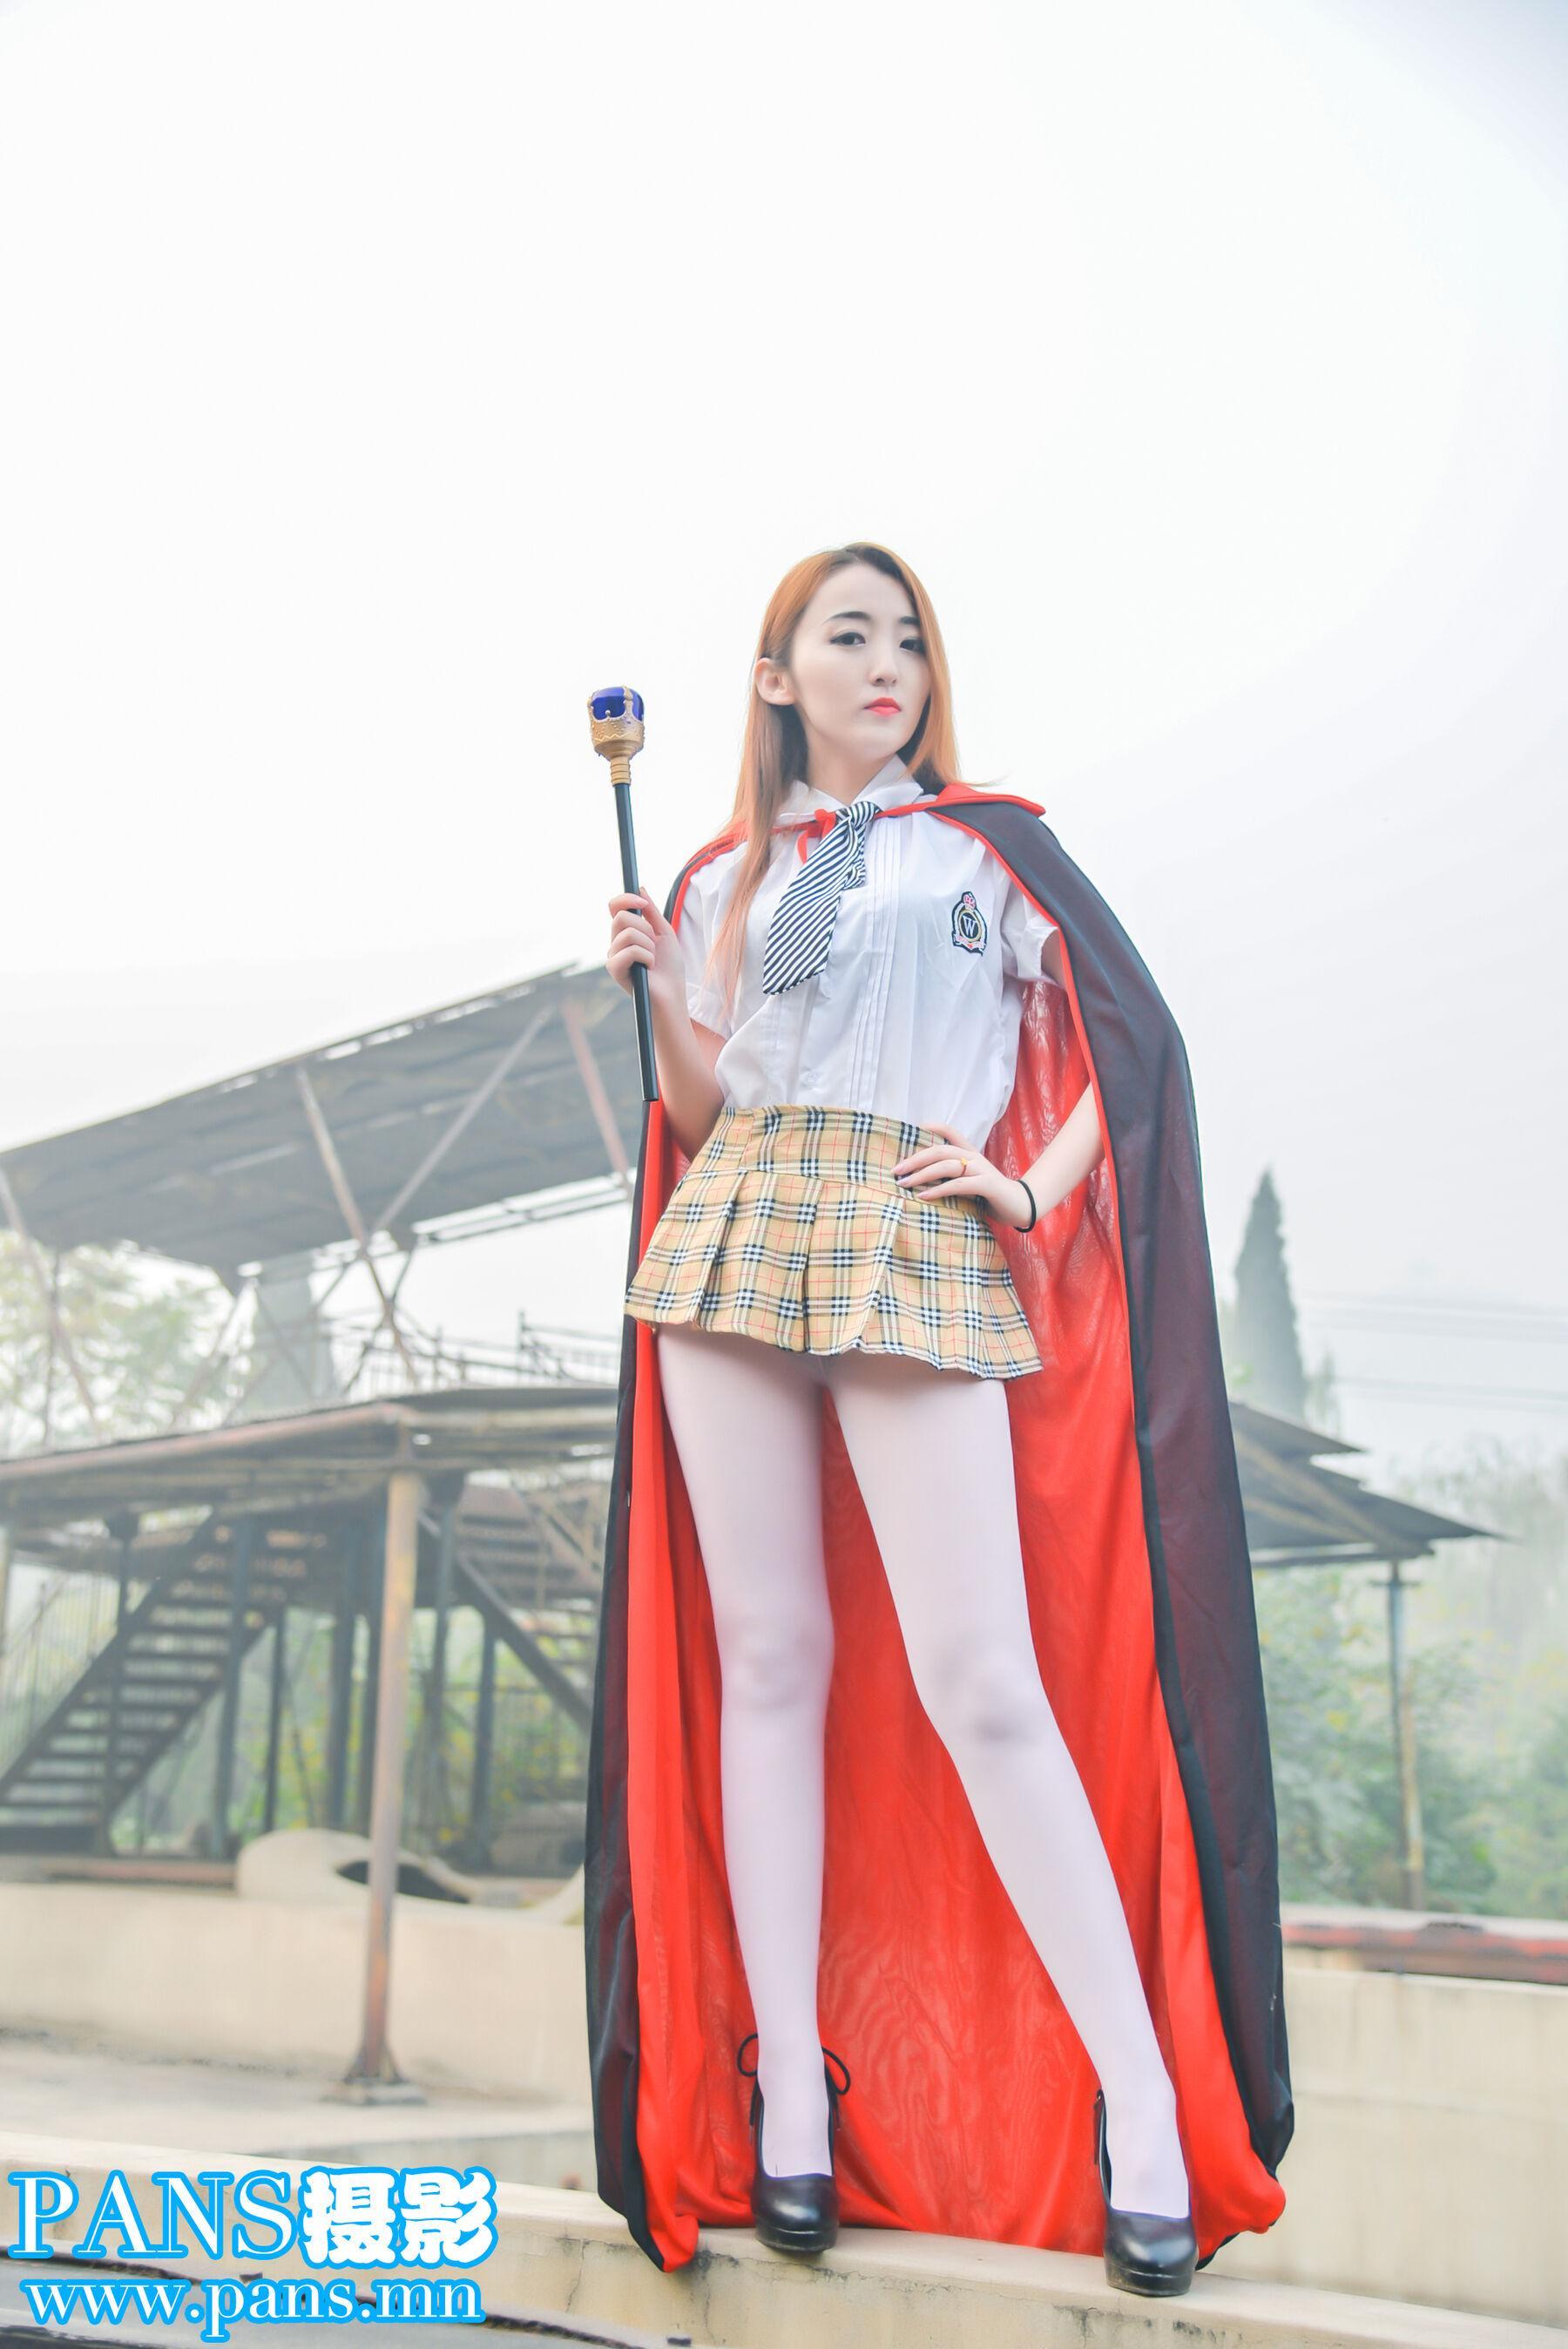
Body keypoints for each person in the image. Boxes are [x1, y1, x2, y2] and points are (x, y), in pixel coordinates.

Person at [587, 541, 1292, 2297]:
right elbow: (704, 1104)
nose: (888, 659)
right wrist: (662, 990)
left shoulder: (987, 849)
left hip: (912, 1215)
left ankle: (1142, 2100)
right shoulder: (719, 873)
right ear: (779, 677)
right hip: (740, 1214)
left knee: (984, 1678)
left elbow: (1130, 1050)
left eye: (907, 635)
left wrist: (1026, 1186)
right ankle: (791, 2100)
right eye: (850, 634)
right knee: (769, 1661)